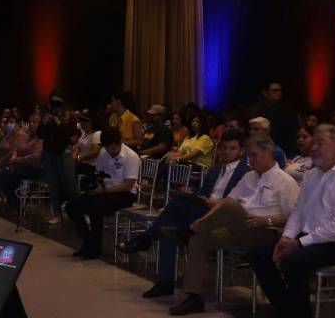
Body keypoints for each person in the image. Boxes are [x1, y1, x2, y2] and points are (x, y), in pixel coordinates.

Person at [246, 125, 335, 318]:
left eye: (320, 142)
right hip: (311, 238)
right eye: (314, 143)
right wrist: (286, 237)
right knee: (259, 253)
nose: (314, 147)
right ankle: (288, 313)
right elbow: (298, 211)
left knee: (292, 261)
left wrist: (299, 243)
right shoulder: (312, 175)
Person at [166, 134, 300, 316]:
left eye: (255, 155)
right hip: (236, 226)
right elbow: (227, 201)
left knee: (230, 207)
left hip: (264, 231)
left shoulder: (285, 182)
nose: (251, 161)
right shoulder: (248, 177)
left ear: (268, 153)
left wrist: (266, 220)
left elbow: (294, 218)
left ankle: (185, 232)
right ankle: (194, 297)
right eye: (249, 156)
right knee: (198, 239)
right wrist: (204, 222)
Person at [121, 128, 252, 297]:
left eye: (232, 148)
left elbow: (240, 204)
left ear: (241, 150)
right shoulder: (215, 170)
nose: (227, 152)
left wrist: (210, 202)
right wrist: (194, 194)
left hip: (222, 215)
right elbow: (203, 193)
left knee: (176, 206)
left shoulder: (246, 173)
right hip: (203, 210)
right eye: (225, 148)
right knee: (167, 228)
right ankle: (164, 283)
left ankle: (144, 239)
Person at [68, 127, 140, 260]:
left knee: (96, 207)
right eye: (107, 148)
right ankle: (89, 242)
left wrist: (104, 191)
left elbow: (128, 185)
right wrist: (95, 187)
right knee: (72, 206)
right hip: (105, 191)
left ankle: (93, 246)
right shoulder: (103, 153)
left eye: (113, 149)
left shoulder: (131, 157)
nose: (110, 152)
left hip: (125, 194)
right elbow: (99, 174)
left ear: (119, 143)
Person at [249, 81, 299, 156]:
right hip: (256, 147)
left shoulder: (288, 111)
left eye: (280, 90)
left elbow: (291, 135)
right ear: (265, 93)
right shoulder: (254, 109)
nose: (279, 93)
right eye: (275, 90)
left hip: (282, 150)